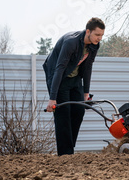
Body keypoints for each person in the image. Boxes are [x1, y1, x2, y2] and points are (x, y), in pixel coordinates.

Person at [43, 17, 105, 155]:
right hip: (59, 78)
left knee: (79, 111)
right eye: (97, 34)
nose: (99, 38)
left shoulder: (94, 45)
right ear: (88, 31)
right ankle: (65, 154)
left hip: (75, 79)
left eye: (101, 35)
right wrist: (52, 98)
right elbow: (59, 68)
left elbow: (88, 67)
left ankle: (68, 148)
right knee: (63, 115)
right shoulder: (71, 42)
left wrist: (86, 92)